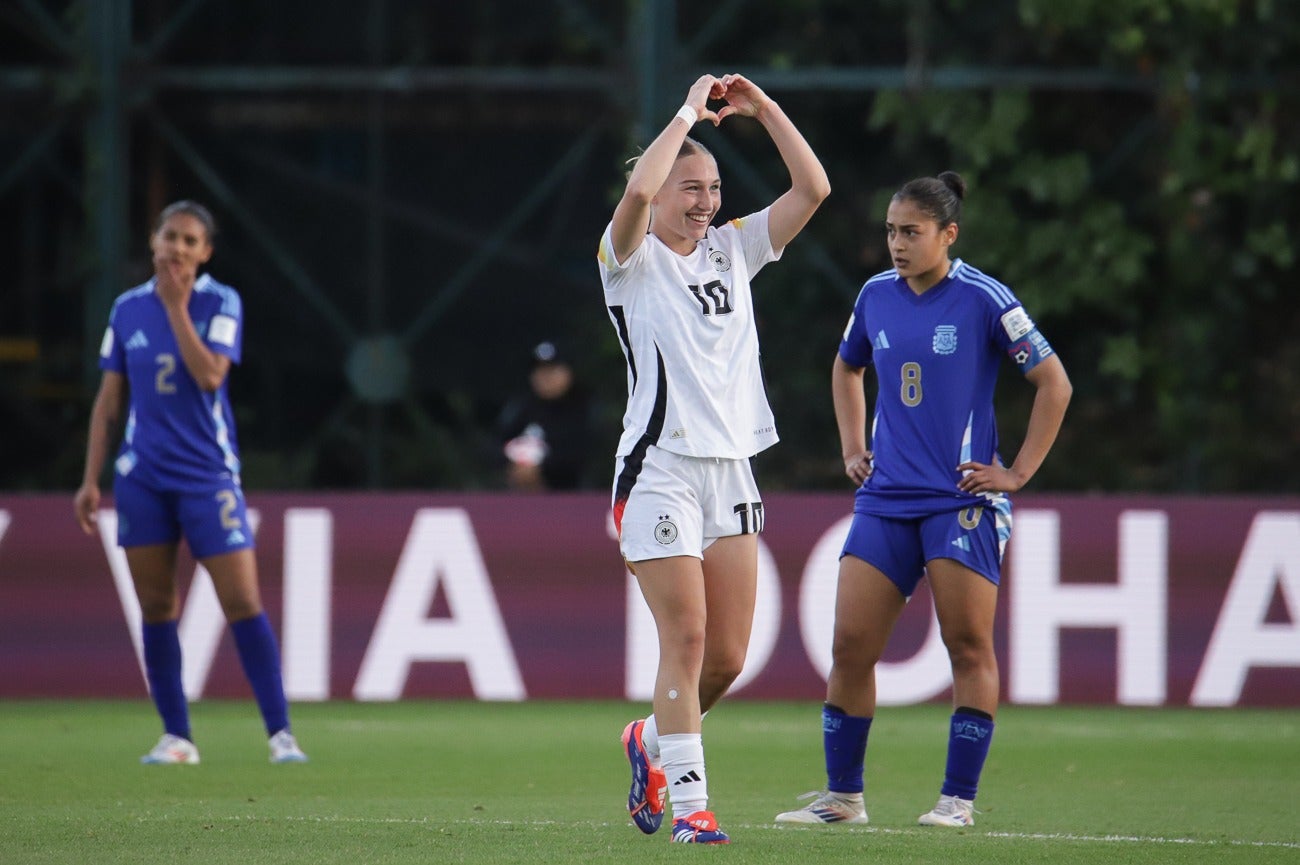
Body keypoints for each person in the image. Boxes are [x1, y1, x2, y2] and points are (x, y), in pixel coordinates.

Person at [774, 171, 1071, 828]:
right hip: (885, 499)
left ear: (948, 233)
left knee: (967, 646)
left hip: (957, 500)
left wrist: (1017, 472)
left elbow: (1054, 382)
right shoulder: (875, 294)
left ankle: (956, 801)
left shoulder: (984, 298)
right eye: (890, 231)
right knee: (850, 645)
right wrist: (853, 445)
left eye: (911, 232)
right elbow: (846, 365)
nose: (897, 244)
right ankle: (842, 798)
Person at [599, 73, 830, 844]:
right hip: (659, 467)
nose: (704, 201)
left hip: (730, 469)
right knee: (687, 637)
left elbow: (814, 188)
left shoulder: (733, 247)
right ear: (663, 190)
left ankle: (651, 741)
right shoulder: (628, 259)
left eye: (714, 187)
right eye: (690, 187)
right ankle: (693, 810)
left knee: (727, 657)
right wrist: (687, 113)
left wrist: (764, 111)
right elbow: (636, 195)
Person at [73, 200, 307, 766]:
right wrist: (90, 479)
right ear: (153, 241)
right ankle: (177, 736)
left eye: (189, 240)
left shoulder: (220, 302)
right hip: (142, 477)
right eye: (169, 236)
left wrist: (177, 309)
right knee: (156, 605)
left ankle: (280, 735)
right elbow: (109, 400)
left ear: (205, 252)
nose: (177, 248)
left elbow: (210, 375)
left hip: (206, 475)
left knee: (242, 600)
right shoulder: (127, 309)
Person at [495, 340, 594, 491]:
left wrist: (541, 468)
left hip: (574, 497)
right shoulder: (520, 409)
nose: (546, 377)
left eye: (552, 370)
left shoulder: (585, 409)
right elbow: (494, 446)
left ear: (568, 372)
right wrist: (515, 466)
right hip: (517, 496)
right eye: (540, 371)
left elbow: (586, 455)